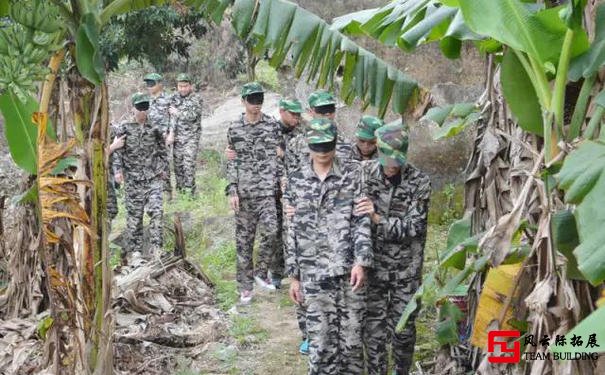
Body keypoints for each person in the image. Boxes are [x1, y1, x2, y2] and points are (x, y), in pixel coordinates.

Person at [285, 118, 372, 374]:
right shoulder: (296, 179)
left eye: (327, 146)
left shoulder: (353, 174)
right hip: (313, 273)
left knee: (352, 343)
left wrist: (361, 261)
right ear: (309, 147)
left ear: (335, 145)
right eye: (317, 147)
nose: (322, 153)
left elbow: (362, 220)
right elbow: (292, 230)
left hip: (348, 271)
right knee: (320, 343)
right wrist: (294, 277)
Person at [354, 123, 431, 375]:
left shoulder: (420, 182)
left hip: (405, 270)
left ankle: (401, 370)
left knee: (404, 330)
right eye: (386, 158)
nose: (391, 165)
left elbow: (414, 227)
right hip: (373, 267)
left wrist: (378, 220)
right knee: (374, 330)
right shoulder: (364, 174)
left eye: (396, 160)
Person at [226, 82, 283, 304]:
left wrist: (281, 182)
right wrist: (232, 190)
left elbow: (278, 158)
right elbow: (231, 162)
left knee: (272, 231)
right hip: (244, 193)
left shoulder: (272, 125)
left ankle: (261, 271)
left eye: (259, 99)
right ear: (243, 101)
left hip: (267, 192)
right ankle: (245, 286)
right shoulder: (234, 128)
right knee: (244, 242)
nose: (256, 104)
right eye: (252, 100)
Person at [113, 93, 167, 263]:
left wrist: (162, 168)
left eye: (145, 107)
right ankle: (136, 251)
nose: (143, 111)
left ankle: (157, 248)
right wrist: (117, 171)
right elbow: (118, 151)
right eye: (140, 108)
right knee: (134, 217)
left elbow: (162, 149)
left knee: (156, 212)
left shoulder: (155, 127)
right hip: (133, 179)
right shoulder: (125, 127)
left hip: (152, 178)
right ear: (133, 108)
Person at [285, 91, 352, 173]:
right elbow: (291, 175)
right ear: (310, 111)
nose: (327, 114)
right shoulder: (296, 144)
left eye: (330, 109)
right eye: (322, 110)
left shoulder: (346, 144)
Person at [169, 73, 203, 196]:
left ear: (190, 86)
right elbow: (171, 117)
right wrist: (171, 134)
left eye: (185, 86)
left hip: (191, 138)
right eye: (180, 86)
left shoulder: (196, 98)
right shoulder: (173, 98)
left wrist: (177, 112)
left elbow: (192, 116)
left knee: (188, 165)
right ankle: (181, 193)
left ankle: (191, 193)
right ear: (177, 86)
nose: (183, 89)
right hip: (177, 139)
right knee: (178, 167)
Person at [144, 73, 173, 199]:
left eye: (152, 83)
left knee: (164, 163)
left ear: (160, 84)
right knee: (150, 163)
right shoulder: (147, 101)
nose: (149, 86)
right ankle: (154, 192)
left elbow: (173, 118)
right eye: (148, 84)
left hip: (163, 136)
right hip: (150, 138)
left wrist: (171, 133)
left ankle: (167, 193)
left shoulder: (168, 99)